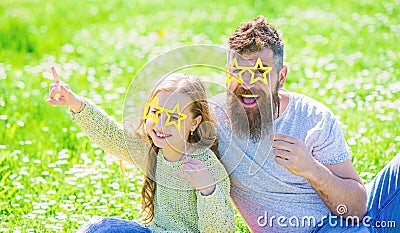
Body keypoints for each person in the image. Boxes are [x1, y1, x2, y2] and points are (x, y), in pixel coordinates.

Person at [211, 15, 399, 232]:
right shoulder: (213, 120)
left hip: (351, 216)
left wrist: (311, 169)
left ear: (281, 77)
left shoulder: (313, 118)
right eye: (237, 70)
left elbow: (357, 208)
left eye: (260, 72)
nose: (247, 82)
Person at [46, 69, 235, 232]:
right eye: (156, 113)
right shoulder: (152, 151)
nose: (161, 124)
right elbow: (111, 136)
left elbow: (221, 229)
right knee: (100, 228)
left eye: (174, 117)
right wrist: (74, 102)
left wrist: (208, 188)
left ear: (194, 123)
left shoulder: (205, 165)